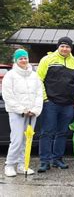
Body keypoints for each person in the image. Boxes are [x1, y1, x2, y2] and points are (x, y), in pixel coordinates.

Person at [36, 37, 74, 172]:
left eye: (67, 46)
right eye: (62, 46)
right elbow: (39, 79)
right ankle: (44, 161)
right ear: (58, 47)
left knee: (62, 132)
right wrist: (45, 99)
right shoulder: (47, 60)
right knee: (47, 132)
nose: (64, 49)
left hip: (68, 104)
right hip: (50, 102)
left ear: (71, 48)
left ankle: (57, 159)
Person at [2, 49, 43, 177]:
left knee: (27, 139)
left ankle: (22, 164)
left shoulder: (34, 75)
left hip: (32, 113)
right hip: (17, 113)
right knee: (17, 139)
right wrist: (21, 109)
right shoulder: (10, 75)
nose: (24, 60)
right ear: (16, 60)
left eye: (25, 58)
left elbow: (39, 93)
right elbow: (8, 95)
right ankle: (9, 165)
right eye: (21, 58)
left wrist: (35, 109)